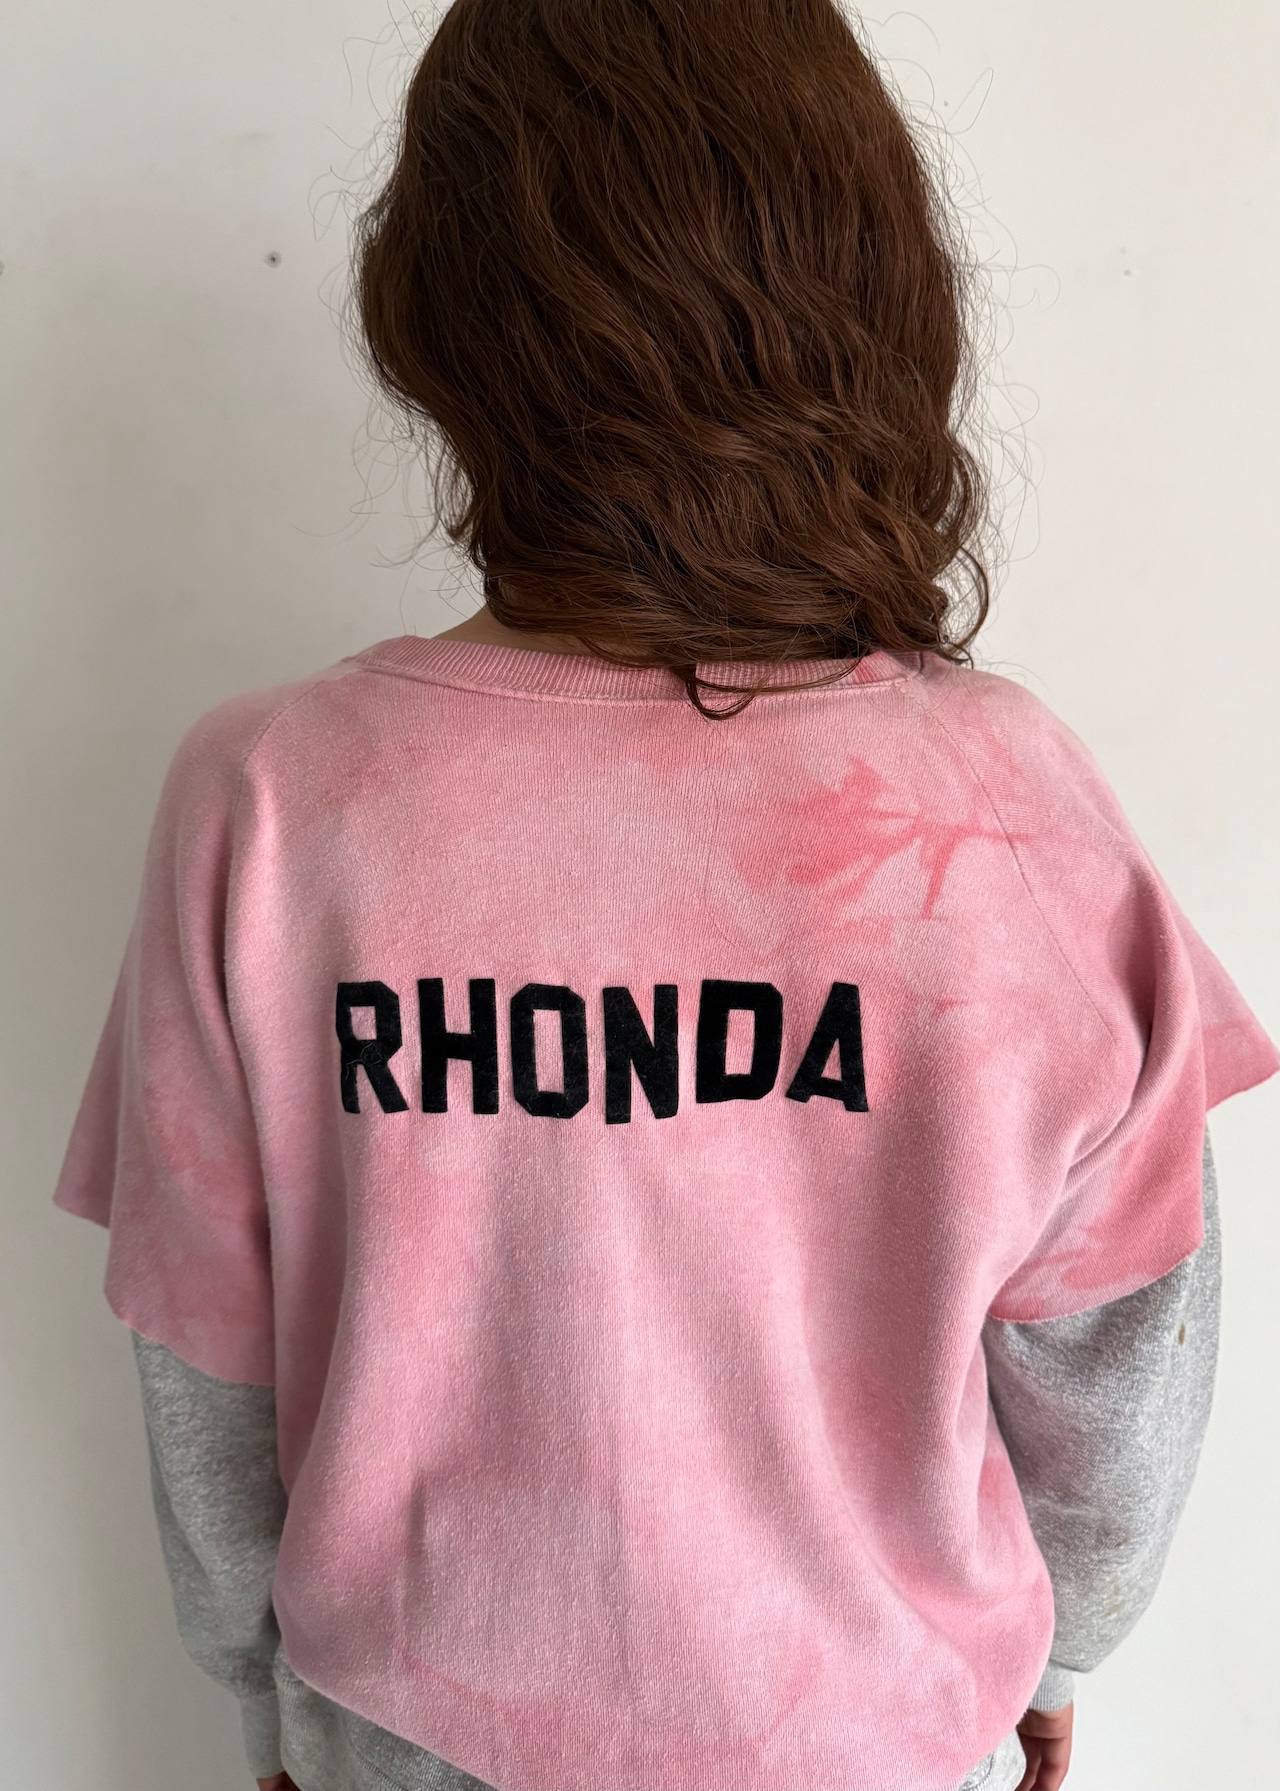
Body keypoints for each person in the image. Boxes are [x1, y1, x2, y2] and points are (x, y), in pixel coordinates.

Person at [52, 3, 1277, 1790]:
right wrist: (1061, 1644)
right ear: (880, 296)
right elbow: (1118, 1359)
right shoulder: (1009, 812)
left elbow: (207, 1366)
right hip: (876, 1734)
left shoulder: (271, 804)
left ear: (433, 319)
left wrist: (259, 1690)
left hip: (410, 1735)